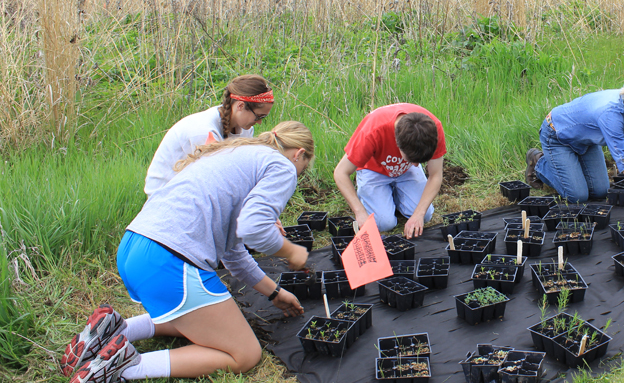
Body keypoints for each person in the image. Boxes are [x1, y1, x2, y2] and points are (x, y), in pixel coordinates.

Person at [61, 121, 314, 383]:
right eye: (303, 169)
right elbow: (254, 229)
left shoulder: (235, 154)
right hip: (170, 264)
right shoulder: (282, 166)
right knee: (245, 354)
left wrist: (274, 293)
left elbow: (234, 253)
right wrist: (290, 252)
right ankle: (121, 367)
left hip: (134, 248)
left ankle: (116, 331)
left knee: (202, 319)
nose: (299, 175)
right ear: (298, 155)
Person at [524, 68, 624, 225]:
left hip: (586, 140)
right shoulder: (611, 112)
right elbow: (623, 162)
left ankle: (570, 167)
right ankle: (539, 161)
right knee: (577, 196)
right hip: (557, 136)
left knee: (601, 191)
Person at [144, 74, 275, 196]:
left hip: (196, 191)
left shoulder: (245, 128)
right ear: (240, 106)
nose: (259, 122)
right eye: (259, 116)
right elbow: (217, 180)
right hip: (167, 196)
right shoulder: (202, 131)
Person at [333, 103, 446, 238]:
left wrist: (419, 214)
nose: (416, 165)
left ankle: (395, 197)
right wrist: (359, 212)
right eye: (411, 159)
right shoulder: (373, 130)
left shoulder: (433, 130)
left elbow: (435, 175)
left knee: (426, 215)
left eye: (420, 161)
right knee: (384, 223)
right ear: (397, 143)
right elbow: (340, 173)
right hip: (373, 169)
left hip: (405, 171)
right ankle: (383, 197)